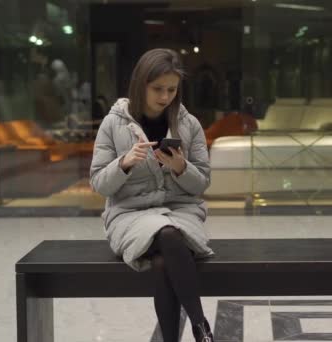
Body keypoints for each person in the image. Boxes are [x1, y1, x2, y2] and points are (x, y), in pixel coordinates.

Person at [89, 48, 215, 342]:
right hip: (130, 215)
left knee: (163, 257)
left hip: (181, 212)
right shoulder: (113, 124)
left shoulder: (189, 124)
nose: (165, 96)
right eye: (158, 88)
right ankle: (201, 327)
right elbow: (98, 183)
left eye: (172, 89)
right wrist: (124, 163)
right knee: (168, 235)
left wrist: (181, 167)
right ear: (140, 84)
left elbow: (202, 184)